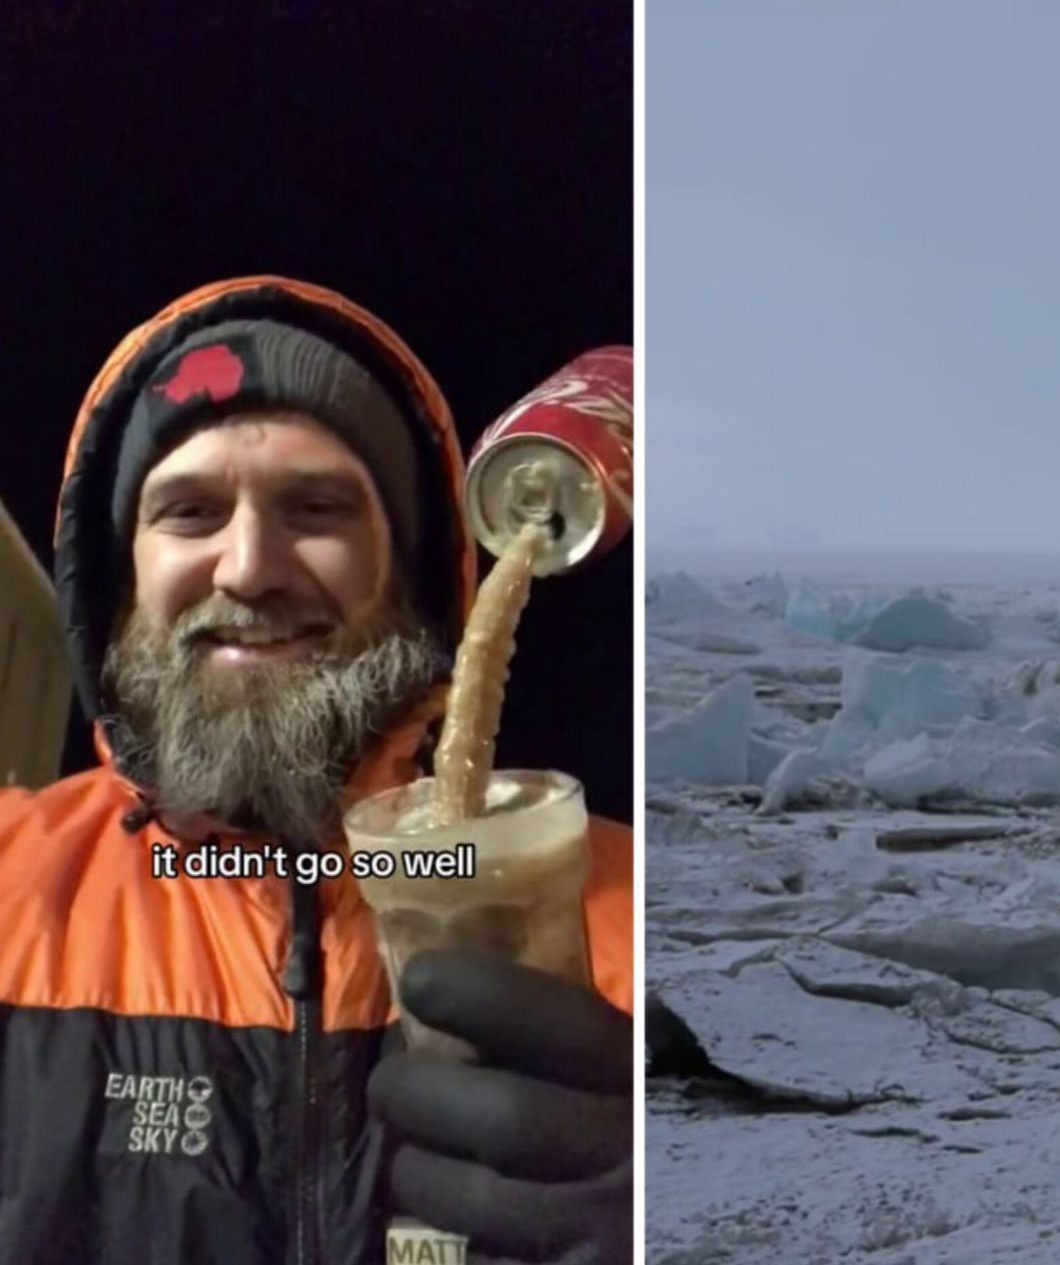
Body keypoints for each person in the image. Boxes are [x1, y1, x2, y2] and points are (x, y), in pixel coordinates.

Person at [0, 276, 634, 1265]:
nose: (248, 567)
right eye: (190, 510)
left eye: (318, 506)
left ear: (411, 576)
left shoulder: (632, 913)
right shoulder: (12, 887)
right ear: (120, 580)